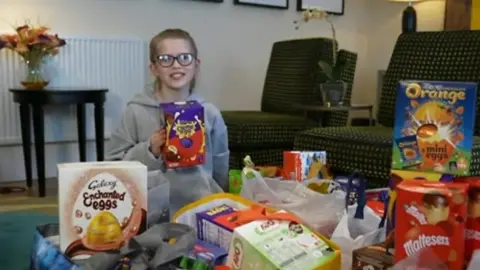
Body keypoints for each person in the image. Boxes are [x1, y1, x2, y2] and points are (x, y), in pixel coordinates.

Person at [106, 29, 229, 215]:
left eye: (184, 58)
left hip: (201, 206)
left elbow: (221, 166)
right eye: (165, 59)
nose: (176, 65)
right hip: (151, 211)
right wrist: (149, 150)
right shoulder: (135, 111)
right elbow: (114, 166)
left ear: (196, 65)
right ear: (154, 68)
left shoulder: (210, 113)